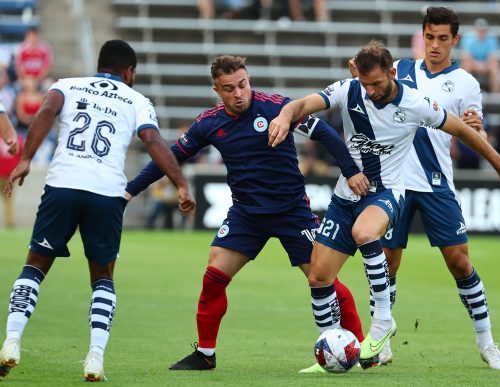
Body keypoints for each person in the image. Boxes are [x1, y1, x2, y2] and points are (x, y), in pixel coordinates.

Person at [268, 39, 500, 370]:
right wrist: (283, 116)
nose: (371, 91)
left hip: (387, 193)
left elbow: (463, 131)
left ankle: (382, 323)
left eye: (377, 83)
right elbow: (303, 104)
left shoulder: (416, 103)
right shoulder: (350, 89)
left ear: (392, 73)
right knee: (319, 277)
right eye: (365, 84)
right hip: (344, 197)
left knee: (366, 233)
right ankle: (330, 350)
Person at [125, 55, 367, 372]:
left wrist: (350, 172)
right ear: (217, 90)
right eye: (229, 88)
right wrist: (129, 190)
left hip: (292, 211)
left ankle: (362, 351)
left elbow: (325, 133)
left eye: (242, 84)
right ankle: (205, 354)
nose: (239, 93)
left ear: (248, 79)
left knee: (322, 279)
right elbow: (169, 158)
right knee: (214, 275)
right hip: (247, 215)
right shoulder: (209, 123)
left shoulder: (277, 108)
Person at [0, 39, 195, 382]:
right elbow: (153, 141)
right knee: (103, 277)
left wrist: (26, 158)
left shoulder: (65, 86)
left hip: (62, 185)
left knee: (34, 267)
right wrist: (179, 183)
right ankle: (95, 358)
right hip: (106, 193)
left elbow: (44, 113)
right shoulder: (137, 100)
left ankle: (12, 341)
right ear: (129, 71)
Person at [357, 8, 500, 370]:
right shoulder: (400, 70)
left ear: (455, 40)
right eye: (430, 37)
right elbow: (365, 86)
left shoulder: (466, 83)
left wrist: (480, 131)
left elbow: (476, 133)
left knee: (459, 262)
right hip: (394, 182)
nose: (435, 45)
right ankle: (380, 341)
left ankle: (487, 342)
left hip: (436, 182)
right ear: (422, 36)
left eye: (443, 38)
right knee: (386, 263)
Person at [460, 18, 500, 94]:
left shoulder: (492, 38)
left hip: (487, 64)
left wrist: (484, 66)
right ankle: (465, 94)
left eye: (483, 30)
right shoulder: (468, 37)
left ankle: (496, 96)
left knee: (496, 67)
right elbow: (466, 56)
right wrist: (477, 66)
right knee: (465, 65)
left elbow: (493, 57)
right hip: (472, 63)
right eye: (479, 30)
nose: (481, 32)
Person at [0, 101, 21, 228]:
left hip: (6, 174)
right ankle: (9, 222)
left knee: (9, 200)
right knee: (9, 201)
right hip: (9, 175)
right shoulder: (16, 137)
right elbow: (21, 156)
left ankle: (10, 222)